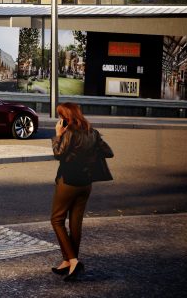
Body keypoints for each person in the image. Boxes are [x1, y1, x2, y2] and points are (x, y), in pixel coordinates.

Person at [50, 101, 114, 282]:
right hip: (86, 183)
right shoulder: (92, 132)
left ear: (67, 117)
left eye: (60, 115)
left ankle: (73, 260)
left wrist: (58, 135)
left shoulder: (69, 132)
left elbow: (58, 153)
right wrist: (89, 154)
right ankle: (68, 262)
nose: (59, 119)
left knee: (56, 219)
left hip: (68, 182)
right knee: (75, 223)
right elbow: (109, 152)